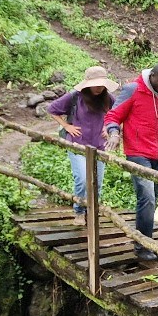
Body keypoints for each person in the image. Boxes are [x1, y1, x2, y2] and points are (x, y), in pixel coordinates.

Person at [104, 62, 158, 262]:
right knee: (148, 197)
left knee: (150, 199)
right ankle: (142, 246)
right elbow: (113, 115)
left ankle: (144, 239)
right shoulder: (133, 90)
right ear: (151, 76)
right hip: (137, 152)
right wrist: (114, 132)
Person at [48, 66, 119, 224]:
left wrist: (107, 127)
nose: (99, 88)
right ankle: (79, 211)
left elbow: (116, 115)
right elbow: (52, 109)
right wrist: (67, 126)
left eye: (101, 84)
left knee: (97, 183)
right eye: (95, 84)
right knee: (81, 179)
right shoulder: (75, 97)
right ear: (87, 84)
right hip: (77, 144)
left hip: (99, 146)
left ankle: (91, 210)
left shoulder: (109, 99)